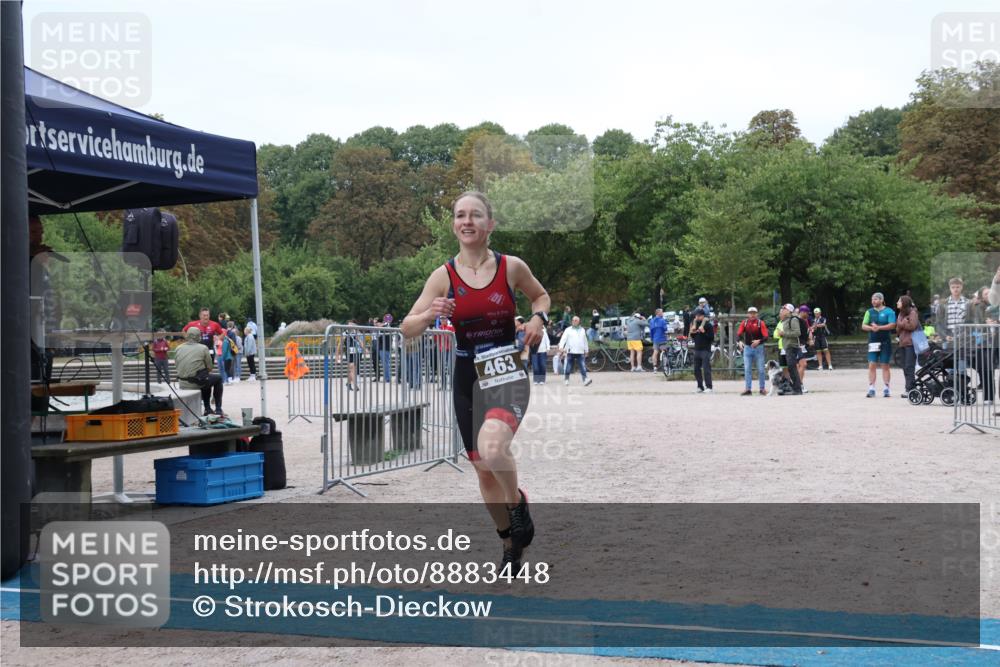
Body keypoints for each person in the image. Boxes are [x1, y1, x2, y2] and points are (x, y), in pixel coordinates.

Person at [401, 191, 550, 573]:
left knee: (493, 446)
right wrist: (431, 314)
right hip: (467, 376)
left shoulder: (511, 267)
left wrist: (538, 320)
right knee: (483, 469)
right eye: (460, 215)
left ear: (490, 225)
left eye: (476, 215)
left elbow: (541, 297)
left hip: (505, 370)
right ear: (454, 224)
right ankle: (509, 544)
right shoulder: (443, 276)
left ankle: (517, 507)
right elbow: (407, 328)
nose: (467, 222)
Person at [176, 327, 224, 416]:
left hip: (182, 382)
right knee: (218, 378)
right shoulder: (203, 348)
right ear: (198, 336)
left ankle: (208, 409)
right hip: (195, 382)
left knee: (205, 378)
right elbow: (210, 367)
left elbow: (177, 365)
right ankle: (217, 409)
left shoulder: (178, 348)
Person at [862, 292, 896, 398]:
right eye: (872, 299)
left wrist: (879, 328)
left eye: (876, 299)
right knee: (872, 364)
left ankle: (887, 388)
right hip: (873, 342)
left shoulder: (889, 311)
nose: (873, 301)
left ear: (881, 300)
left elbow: (892, 325)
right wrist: (872, 328)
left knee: (885, 364)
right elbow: (863, 325)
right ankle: (871, 388)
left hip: (885, 342)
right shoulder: (869, 312)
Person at [737, 306, 769, 395]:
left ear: (757, 314)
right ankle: (748, 389)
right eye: (750, 313)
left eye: (754, 313)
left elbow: (766, 336)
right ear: (748, 314)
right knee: (747, 369)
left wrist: (759, 341)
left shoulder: (760, 323)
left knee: (761, 369)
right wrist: (739, 341)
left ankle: (762, 388)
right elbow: (738, 334)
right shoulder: (744, 323)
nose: (752, 315)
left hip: (759, 348)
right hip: (747, 348)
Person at [895, 295, 920, 397]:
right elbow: (897, 330)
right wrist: (902, 323)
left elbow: (912, 326)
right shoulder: (901, 314)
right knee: (905, 367)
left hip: (911, 344)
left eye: (899, 301)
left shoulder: (913, 312)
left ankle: (910, 389)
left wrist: (901, 324)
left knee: (909, 367)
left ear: (904, 303)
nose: (897, 303)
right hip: (902, 343)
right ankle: (910, 388)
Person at [558, 315, 592, 386]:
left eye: (576, 320)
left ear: (579, 322)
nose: (574, 321)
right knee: (568, 367)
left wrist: (586, 350)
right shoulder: (568, 330)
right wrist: (561, 347)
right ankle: (566, 379)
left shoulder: (582, 330)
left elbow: (585, 340)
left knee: (582, 366)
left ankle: (585, 380)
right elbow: (563, 339)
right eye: (573, 320)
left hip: (580, 351)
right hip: (571, 351)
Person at [936, 277, 971, 347]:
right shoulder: (943, 304)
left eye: (958, 287)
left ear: (962, 287)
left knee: (963, 357)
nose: (955, 289)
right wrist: (945, 336)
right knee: (949, 357)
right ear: (950, 288)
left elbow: (971, 321)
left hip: (963, 338)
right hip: (948, 337)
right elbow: (938, 323)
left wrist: (964, 334)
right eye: (953, 287)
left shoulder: (968, 303)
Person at [778, 304, 804, 395]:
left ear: (789, 311)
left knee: (792, 368)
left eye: (784, 309)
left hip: (792, 347)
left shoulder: (793, 319)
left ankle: (797, 389)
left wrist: (783, 333)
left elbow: (797, 333)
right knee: (791, 367)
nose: (782, 310)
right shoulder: (786, 320)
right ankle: (796, 388)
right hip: (788, 347)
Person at [690, 308, 714, 393]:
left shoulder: (708, 325)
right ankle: (700, 386)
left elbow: (711, 338)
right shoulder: (695, 324)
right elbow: (694, 337)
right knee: (696, 369)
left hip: (705, 350)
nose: (696, 317)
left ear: (702, 316)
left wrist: (703, 332)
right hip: (697, 349)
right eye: (696, 315)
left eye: (698, 315)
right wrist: (692, 332)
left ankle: (709, 387)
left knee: (706, 369)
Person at [336, 319, 364, 392]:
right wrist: (337, 356)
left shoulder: (356, 333)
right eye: (349, 325)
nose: (350, 326)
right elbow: (340, 345)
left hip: (357, 353)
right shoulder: (344, 334)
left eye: (352, 325)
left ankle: (348, 383)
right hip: (349, 353)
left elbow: (360, 342)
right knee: (351, 368)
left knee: (352, 370)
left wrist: (365, 349)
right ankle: (355, 385)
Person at [796, 306, 814, 393]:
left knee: (801, 365)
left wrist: (809, 338)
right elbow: (798, 334)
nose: (807, 315)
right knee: (802, 364)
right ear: (802, 312)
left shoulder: (804, 321)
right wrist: (808, 340)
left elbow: (805, 333)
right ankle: (798, 385)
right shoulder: (797, 320)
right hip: (797, 345)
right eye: (806, 313)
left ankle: (799, 384)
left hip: (801, 345)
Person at [530, 320, 550, 385]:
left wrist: (548, 348)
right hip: (534, 351)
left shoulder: (544, 331)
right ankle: (536, 379)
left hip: (543, 351)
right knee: (535, 366)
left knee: (542, 365)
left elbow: (547, 340)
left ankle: (542, 380)